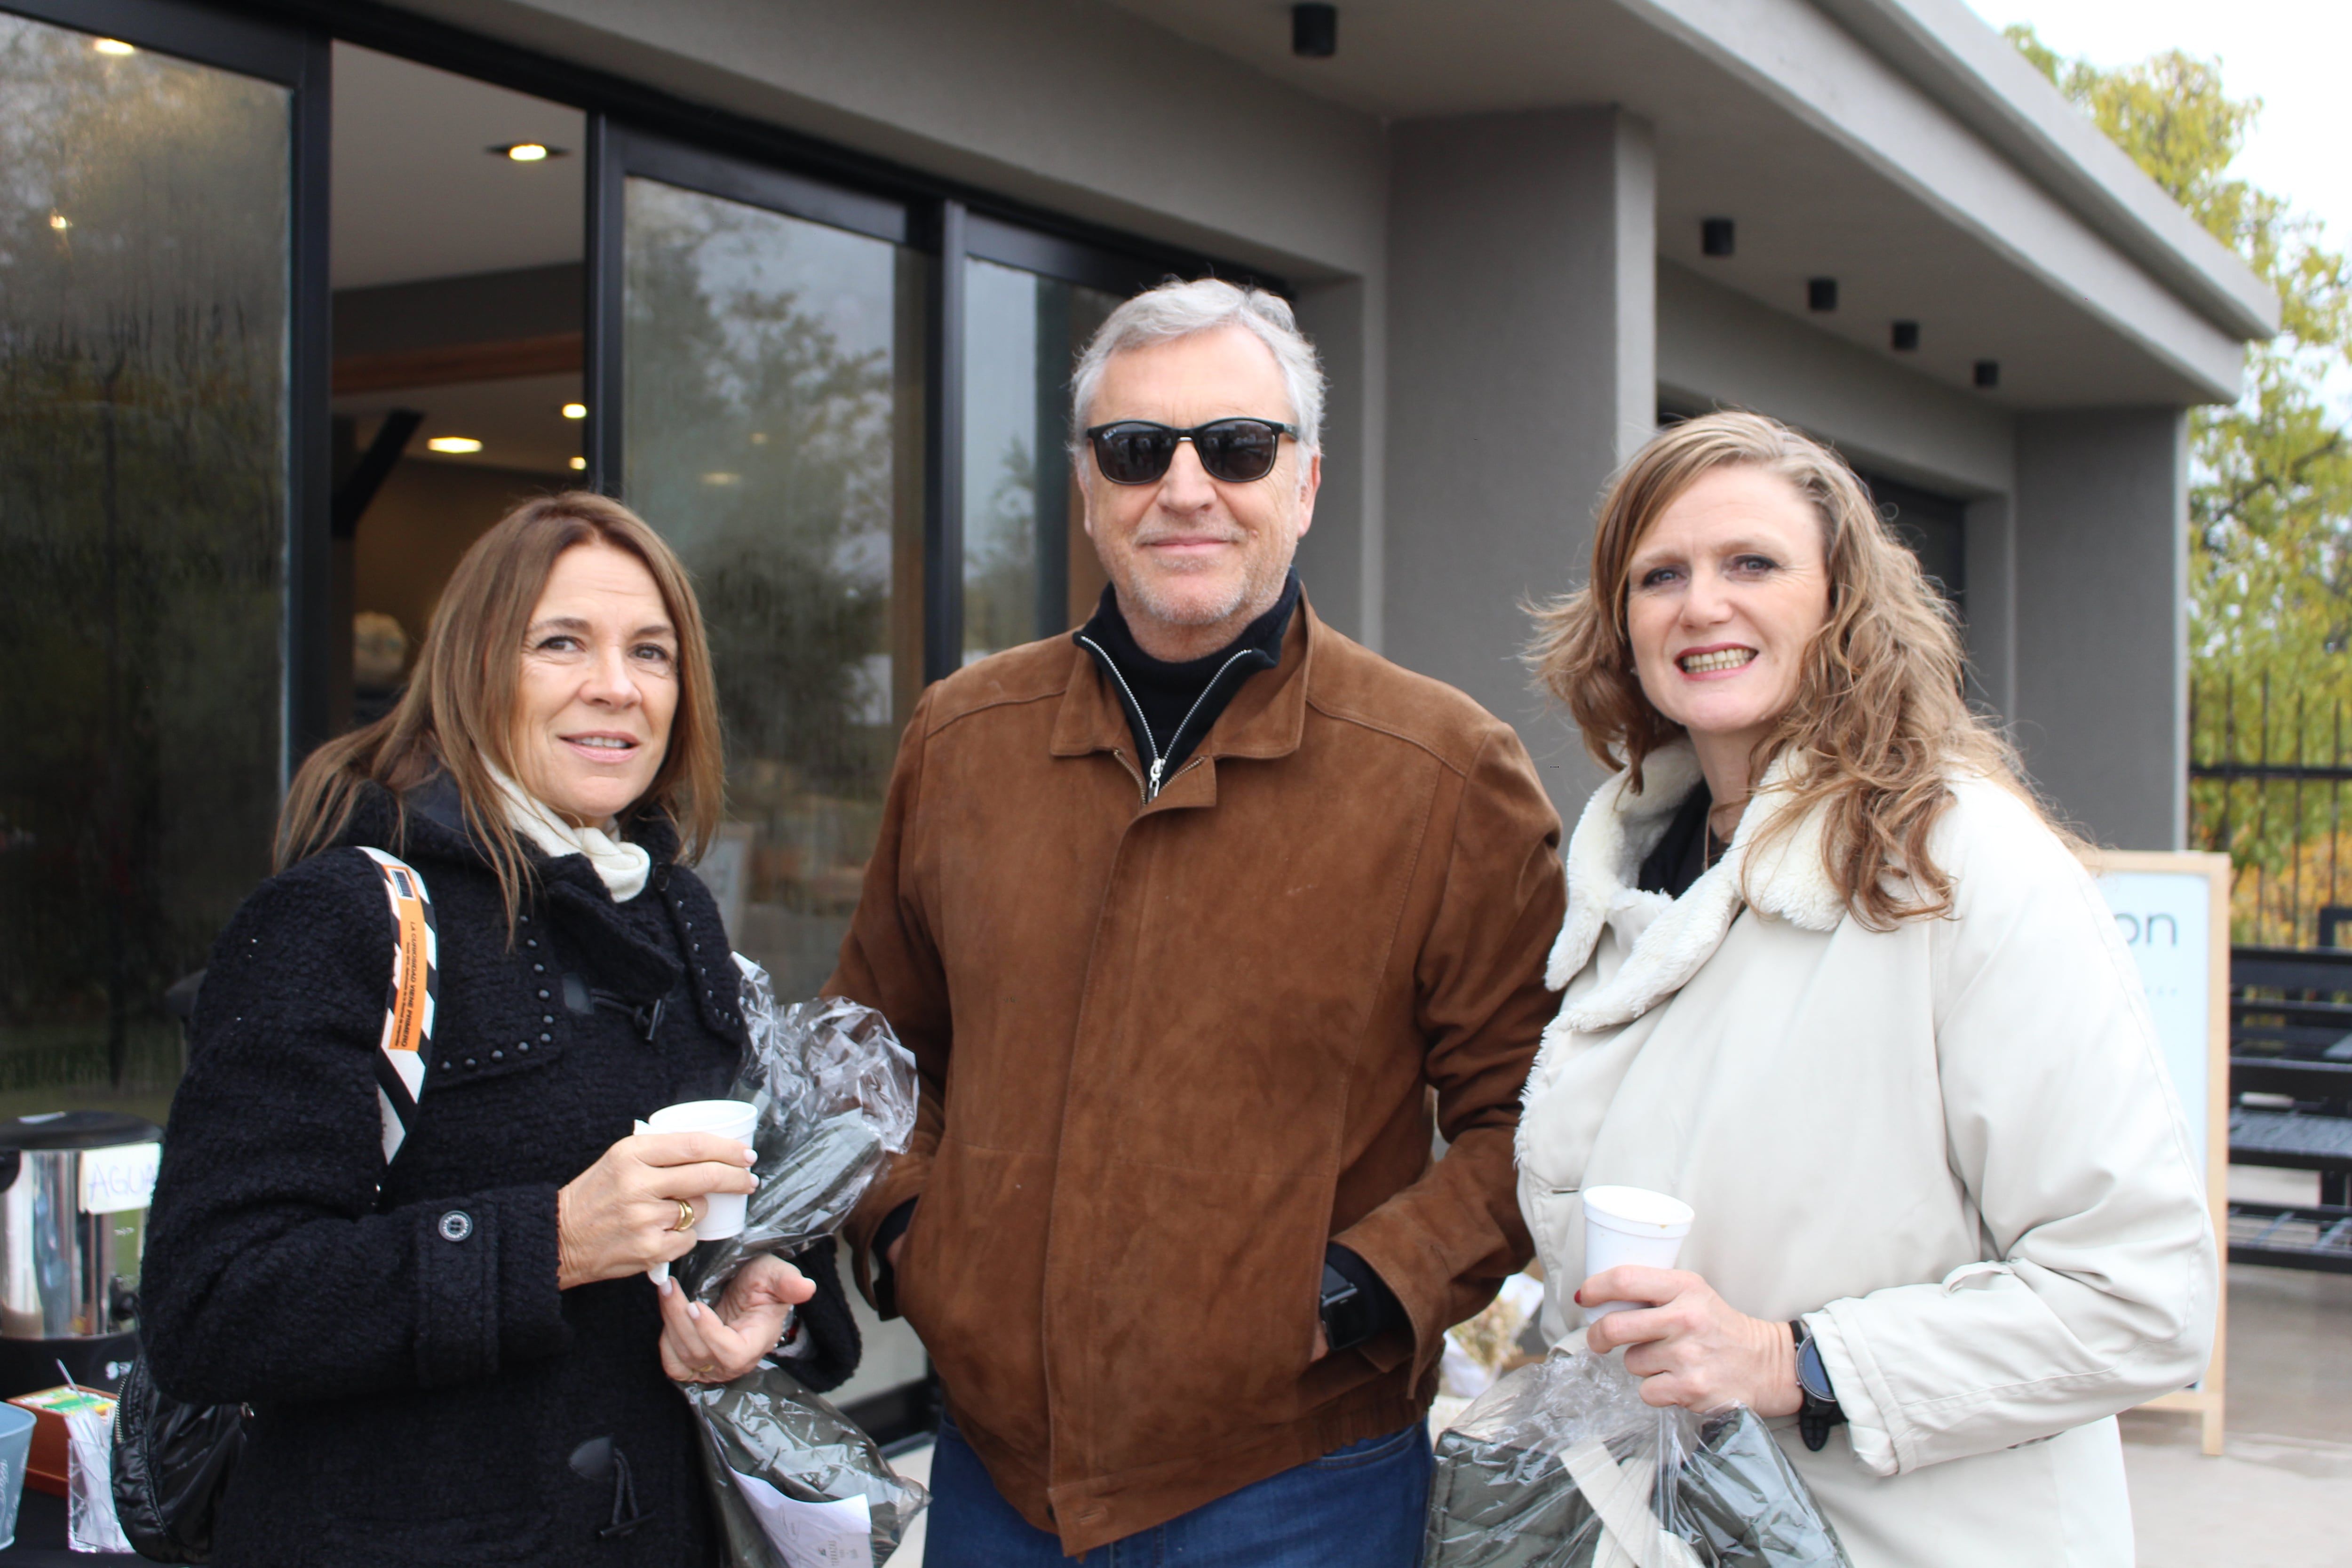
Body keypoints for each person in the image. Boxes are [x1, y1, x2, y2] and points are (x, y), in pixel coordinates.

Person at [827, 277, 1566, 1565]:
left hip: (1299, 1487)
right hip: (998, 1477)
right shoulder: (962, 736)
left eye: (1235, 446)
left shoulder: (1445, 769)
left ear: (1305, 481)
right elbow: (866, 1045)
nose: (1184, 487)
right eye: (1135, 448)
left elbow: (1540, 1115)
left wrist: (1356, 1291)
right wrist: (914, 1235)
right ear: (1087, 485)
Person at [1515, 411, 2216, 1565]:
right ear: (1620, 623)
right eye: (1660, 575)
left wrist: (1793, 1359)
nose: (1702, 604)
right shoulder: (1629, 880)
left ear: (1840, 600)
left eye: (1752, 562)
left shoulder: (1960, 862)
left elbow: (2139, 1294)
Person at [143, 493, 861, 1568]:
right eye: (561, 642)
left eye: (652, 652)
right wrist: (553, 1241)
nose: (616, 685)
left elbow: (742, 1229)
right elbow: (212, 1304)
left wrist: (759, 1309)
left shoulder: (675, 911)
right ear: (475, 668)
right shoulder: (344, 916)